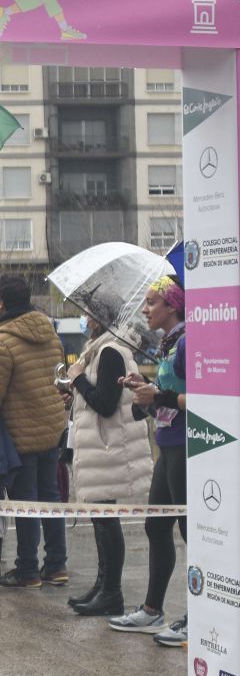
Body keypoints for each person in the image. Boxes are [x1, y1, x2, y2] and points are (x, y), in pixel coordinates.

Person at [0, 274, 68, 589]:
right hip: (52, 427)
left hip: (21, 434)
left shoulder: (1, 341)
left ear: (1, 303)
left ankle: (27, 570)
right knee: (50, 497)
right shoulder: (50, 333)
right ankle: (56, 565)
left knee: (25, 501)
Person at [109, 275, 188, 646]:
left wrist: (158, 395)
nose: (145, 309)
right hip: (167, 444)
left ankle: (199, 615)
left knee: (193, 534)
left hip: (187, 447)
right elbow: (168, 394)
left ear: (172, 305)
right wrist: (143, 386)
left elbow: (197, 396)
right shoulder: (169, 344)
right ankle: (152, 610)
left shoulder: (188, 342)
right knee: (156, 528)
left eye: (152, 302)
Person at [64, 314, 152, 616]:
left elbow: (105, 402)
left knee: (106, 518)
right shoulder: (101, 349)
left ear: (103, 317)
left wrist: (77, 380)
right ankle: (102, 586)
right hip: (101, 447)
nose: (85, 319)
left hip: (108, 448)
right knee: (100, 517)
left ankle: (111, 591)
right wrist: (75, 389)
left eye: (90, 314)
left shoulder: (110, 351)